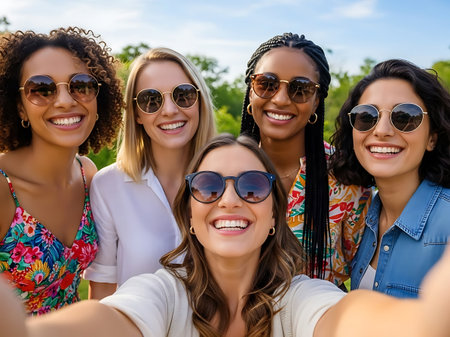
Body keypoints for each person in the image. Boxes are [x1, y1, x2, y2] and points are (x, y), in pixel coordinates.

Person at [1, 134, 450, 337]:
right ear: (191, 217)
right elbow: (113, 321)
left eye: (252, 187)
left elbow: (346, 319)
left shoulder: (300, 298)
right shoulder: (160, 292)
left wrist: (423, 323)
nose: (230, 200)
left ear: (274, 215)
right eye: (209, 186)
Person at [0, 27, 123, 315]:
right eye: (42, 89)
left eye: (81, 85)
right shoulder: (3, 188)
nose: (66, 100)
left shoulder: (87, 173)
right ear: (19, 107)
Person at [240, 32, 372, 286]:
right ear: (250, 92)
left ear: (316, 102)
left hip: (319, 322)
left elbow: (362, 277)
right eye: (267, 83)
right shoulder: (221, 171)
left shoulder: (347, 179)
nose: (280, 99)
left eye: (300, 89)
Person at [83, 47, 216, 299]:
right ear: (136, 114)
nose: (168, 110)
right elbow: (102, 291)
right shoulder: (108, 185)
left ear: (200, 102)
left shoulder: (229, 180)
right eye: (151, 100)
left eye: (183, 95)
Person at [330, 59, 450, 297]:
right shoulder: (358, 220)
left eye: (405, 116)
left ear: (432, 138)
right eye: (367, 116)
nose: (382, 130)